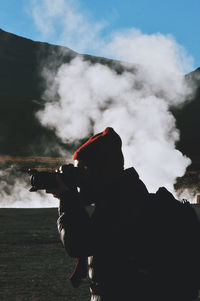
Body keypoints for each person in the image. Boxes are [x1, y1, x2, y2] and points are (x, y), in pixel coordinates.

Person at [46, 127, 199, 301]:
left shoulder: (124, 203)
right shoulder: (124, 197)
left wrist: (67, 198)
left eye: (83, 170)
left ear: (100, 170)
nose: (79, 179)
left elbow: (79, 243)